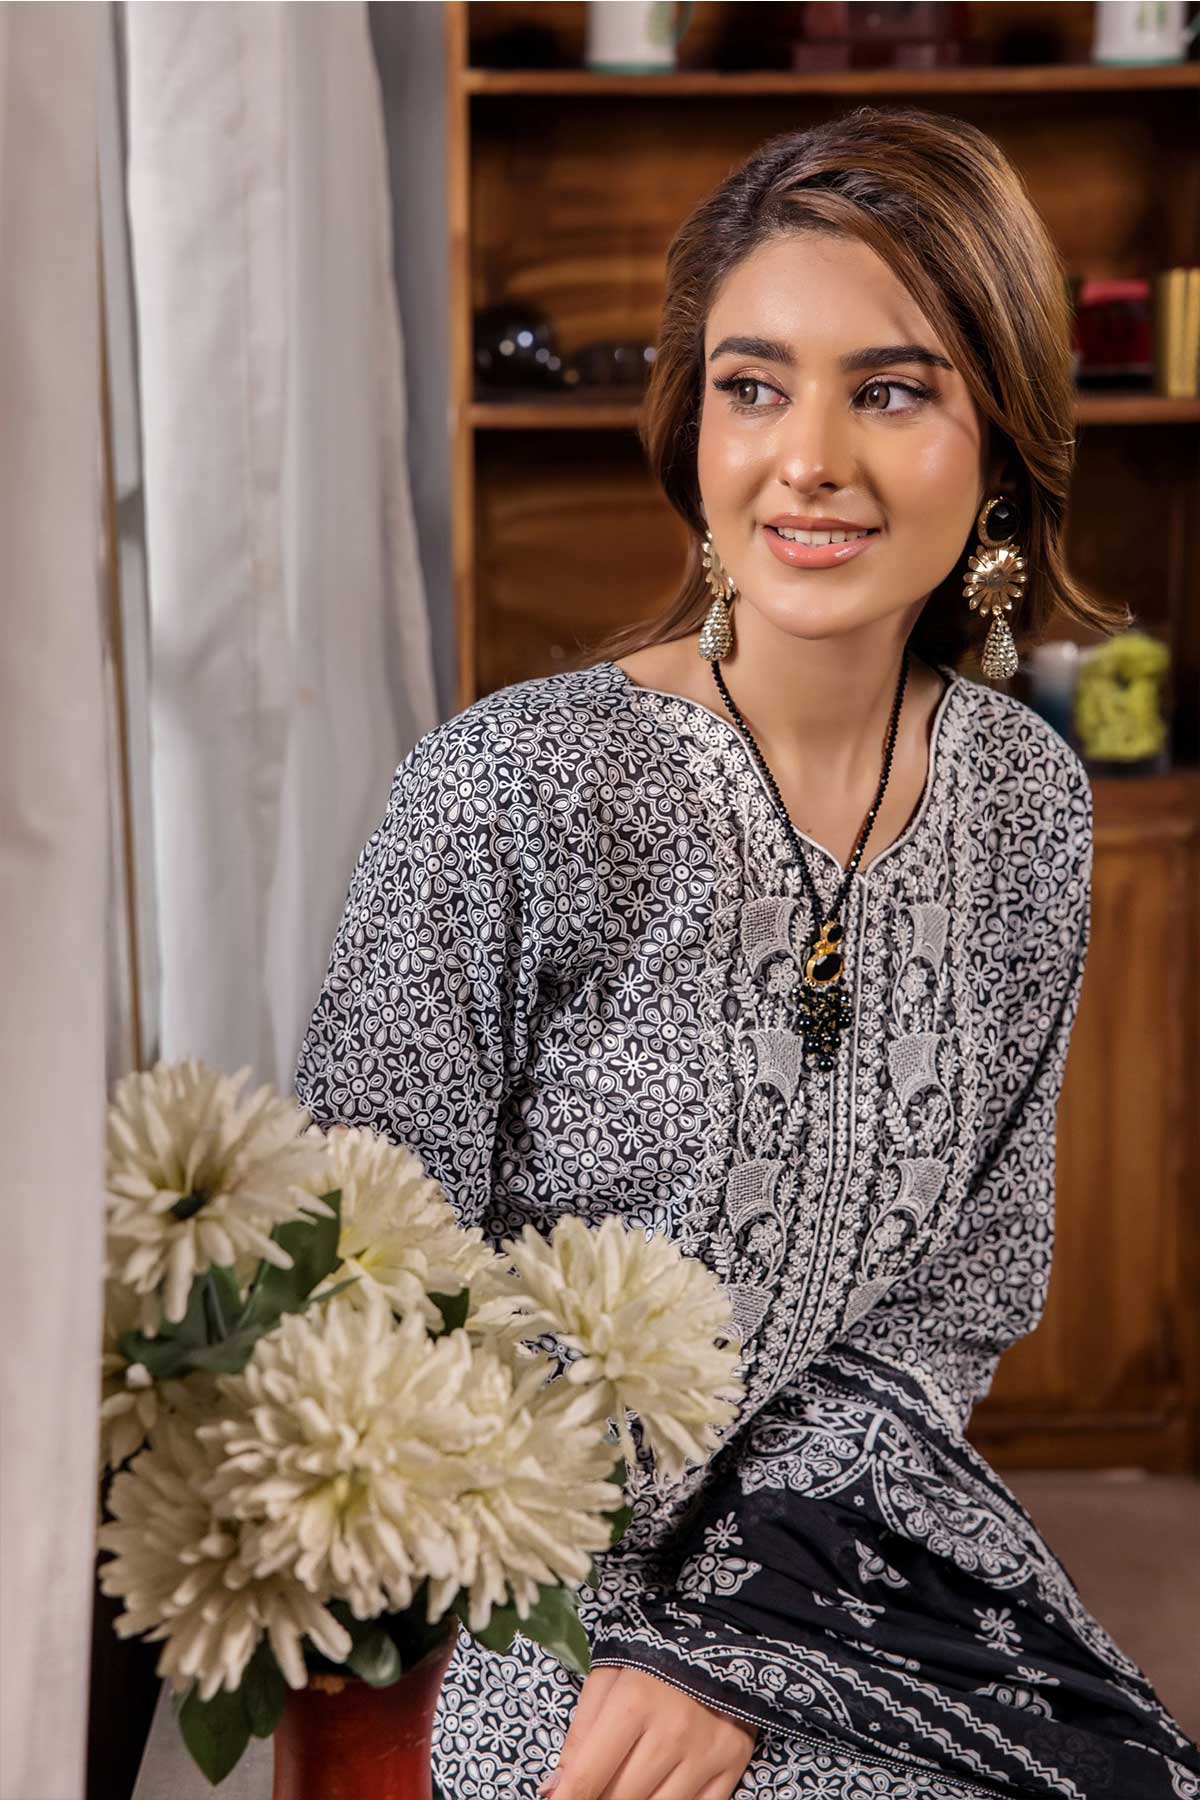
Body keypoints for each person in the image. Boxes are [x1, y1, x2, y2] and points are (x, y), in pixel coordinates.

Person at [294, 107, 1200, 1800]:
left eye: (893, 390)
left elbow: (958, 1297)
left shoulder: (1030, 805)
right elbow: (358, 1295)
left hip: (854, 1545)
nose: (810, 461)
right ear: (693, 426)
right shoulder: (510, 791)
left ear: (1002, 441)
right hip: (529, 1602)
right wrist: (637, 1637)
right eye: (755, 386)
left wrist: (746, 1628)